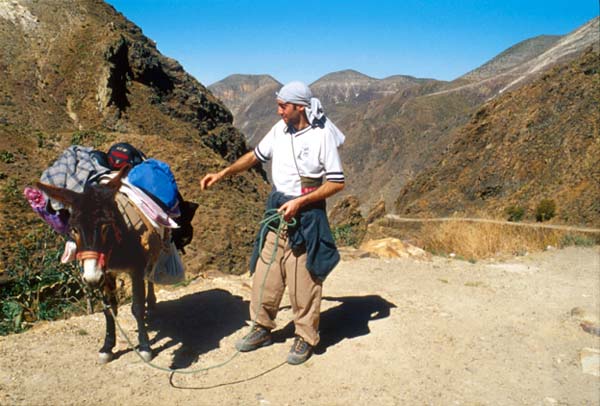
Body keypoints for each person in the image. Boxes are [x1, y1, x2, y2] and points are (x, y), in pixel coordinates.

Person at [200, 81, 346, 365]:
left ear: (299, 107)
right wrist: (223, 173)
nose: (278, 111)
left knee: (303, 280)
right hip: (278, 210)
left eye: (283, 106)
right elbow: (255, 156)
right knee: (267, 271)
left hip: (307, 214)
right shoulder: (280, 130)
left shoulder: (322, 135)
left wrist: (300, 202)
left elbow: (337, 182)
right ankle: (261, 327)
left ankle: (305, 336)